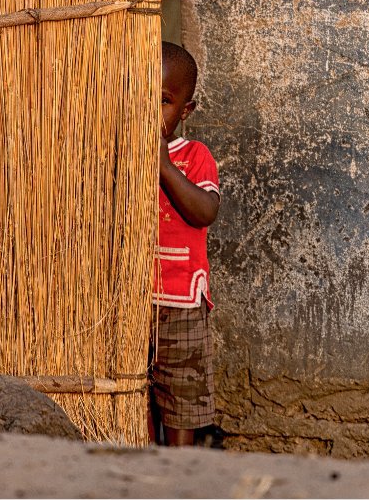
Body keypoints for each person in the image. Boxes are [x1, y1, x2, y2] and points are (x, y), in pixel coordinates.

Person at [150, 42, 221, 446]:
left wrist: (163, 167)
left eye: (162, 102)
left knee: (182, 399)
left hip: (181, 306)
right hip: (134, 300)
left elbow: (204, 210)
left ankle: (181, 475)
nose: (150, 113)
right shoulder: (120, 155)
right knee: (136, 394)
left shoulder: (194, 155)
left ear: (185, 111)